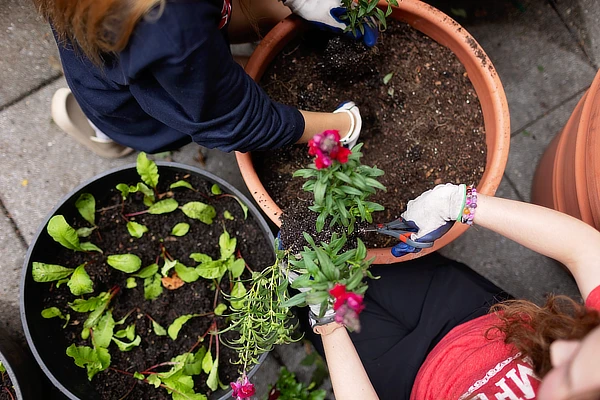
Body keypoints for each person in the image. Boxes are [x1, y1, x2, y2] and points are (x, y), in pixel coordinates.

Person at [307, 183, 600, 400]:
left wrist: (327, 323)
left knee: (302, 277)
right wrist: (459, 202)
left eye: (570, 375)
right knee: (345, 246)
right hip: (474, 315)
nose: (560, 348)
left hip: (399, 380)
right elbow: (588, 251)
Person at [36, 0, 374, 158]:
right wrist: (344, 128)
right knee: (146, 120)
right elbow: (236, 122)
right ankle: (108, 133)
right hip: (133, 106)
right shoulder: (168, 26)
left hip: (128, 49)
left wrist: (294, 4)